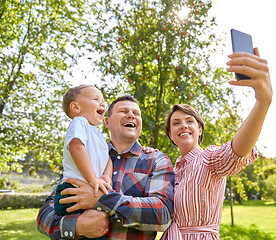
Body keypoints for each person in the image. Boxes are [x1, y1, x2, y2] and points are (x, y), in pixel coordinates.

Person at [162, 48, 272, 239]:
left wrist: (262, 102)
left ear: (200, 130)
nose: (183, 126)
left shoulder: (209, 159)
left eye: (190, 121)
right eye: (176, 123)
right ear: (171, 135)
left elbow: (236, 151)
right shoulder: (169, 172)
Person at [37, 95, 175, 240]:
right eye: (123, 111)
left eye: (136, 113)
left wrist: (103, 200)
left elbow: (162, 214)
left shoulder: (156, 159)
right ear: (107, 122)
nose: (131, 115)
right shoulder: (85, 155)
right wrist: (75, 226)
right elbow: (44, 215)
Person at [54, 85, 112, 240]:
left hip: (91, 190)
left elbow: (107, 160)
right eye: (96, 99)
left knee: (96, 227)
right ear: (76, 107)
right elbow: (76, 147)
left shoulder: (98, 133)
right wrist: (93, 179)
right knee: (92, 226)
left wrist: (106, 177)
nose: (102, 104)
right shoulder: (79, 122)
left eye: (103, 101)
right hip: (73, 189)